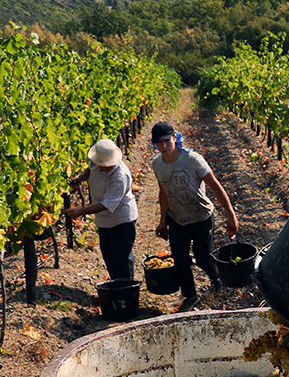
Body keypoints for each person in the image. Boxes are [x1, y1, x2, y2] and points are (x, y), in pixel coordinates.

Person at [150, 121, 240, 311]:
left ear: (175, 137)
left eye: (167, 141)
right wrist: (163, 220)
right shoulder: (157, 164)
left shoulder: (193, 159)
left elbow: (215, 186)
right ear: (155, 144)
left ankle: (217, 279)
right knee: (180, 261)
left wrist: (230, 214)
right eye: (159, 143)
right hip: (177, 219)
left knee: (202, 258)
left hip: (201, 217)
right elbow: (163, 192)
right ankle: (191, 296)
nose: (164, 146)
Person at [66, 138, 138, 281]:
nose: (103, 167)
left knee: (122, 257)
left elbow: (107, 205)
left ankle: (127, 292)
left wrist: (81, 211)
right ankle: (115, 287)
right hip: (104, 220)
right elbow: (90, 169)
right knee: (109, 256)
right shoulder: (98, 161)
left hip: (121, 220)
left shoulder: (120, 176)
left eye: (107, 165)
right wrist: (79, 178)